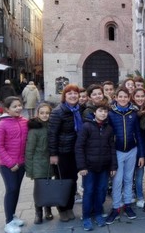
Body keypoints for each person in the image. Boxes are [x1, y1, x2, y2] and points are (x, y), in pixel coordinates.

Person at [106, 87, 145, 225]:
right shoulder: (110, 114)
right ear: (115, 98)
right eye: (120, 96)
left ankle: (127, 204)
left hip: (132, 150)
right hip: (117, 151)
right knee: (117, 180)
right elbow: (108, 137)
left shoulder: (133, 113)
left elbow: (138, 135)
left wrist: (141, 155)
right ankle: (116, 207)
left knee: (129, 179)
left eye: (125, 97)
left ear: (129, 98)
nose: (123, 99)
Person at [75, 102, 117, 231]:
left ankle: (98, 213)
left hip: (104, 167)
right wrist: (82, 166)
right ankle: (87, 216)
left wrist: (113, 166)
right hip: (89, 167)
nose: (103, 113)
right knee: (89, 191)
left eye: (105, 111)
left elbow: (112, 148)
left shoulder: (108, 128)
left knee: (101, 190)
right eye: (100, 111)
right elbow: (79, 147)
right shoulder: (87, 126)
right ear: (94, 113)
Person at [0, 96, 28, 233]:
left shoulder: (24, 121)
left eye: (19, 105)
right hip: (7, 165)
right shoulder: (2, 125)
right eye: (15, 106)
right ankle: (8, 222)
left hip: (21, 163)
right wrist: (10, 163)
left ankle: (13, 216)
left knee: (16, 190)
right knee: (11, 189)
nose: (18, 108)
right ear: (7, 109)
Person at [48, 84, 82, 222]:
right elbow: (52, 134)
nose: (73, 96)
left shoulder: (78, 110)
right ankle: (62, 209)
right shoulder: (58, 112)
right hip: (62, 153)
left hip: (74, 152)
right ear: (64, 96)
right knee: (62, 181)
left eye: (75, 93)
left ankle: (69, 207)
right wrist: (53, 154)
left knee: (73, 180)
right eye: (70, 94)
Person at [25, 103, 54, 224]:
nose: (45, 115)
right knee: (39, 189)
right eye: (42, 113)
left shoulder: (52, 126)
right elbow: (29, 150)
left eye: (47, 113)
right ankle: (38, 212)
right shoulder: (34, 129)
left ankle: (48, 209)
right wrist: (30, 169)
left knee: (48, 187)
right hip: (37, 162)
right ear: (37, 114)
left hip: (49, 162)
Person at [132, 88, 145, 208]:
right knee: (128, 176)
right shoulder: (131, 110)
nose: (140, 98)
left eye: (142, 96)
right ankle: (131, 195)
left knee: (139, 174)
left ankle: (140, 196)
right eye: (137, 96)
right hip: (131, 147)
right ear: (133, 97)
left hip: (143, 147)